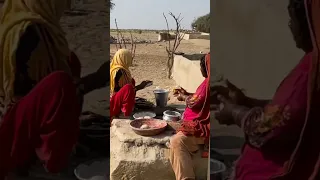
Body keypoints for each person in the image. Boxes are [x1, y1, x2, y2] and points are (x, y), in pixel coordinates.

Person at [0, 0, 109, 179]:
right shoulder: (27, 33)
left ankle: (62, 144)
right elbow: (49, 97)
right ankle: (48, 160)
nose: (67, 6)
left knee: (69, 64)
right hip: (15, 133)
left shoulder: (44, 29)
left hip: (31, 116)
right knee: (60, 83)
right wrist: (95, 79)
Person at [212, 0, 320, 179]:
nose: (291, 26)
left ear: (308, 23)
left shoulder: (309, 73)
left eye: (293, 20)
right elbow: (290, 112)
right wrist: (247, 101)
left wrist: (234, 112)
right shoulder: (309, 66)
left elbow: (269, 128)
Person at [169, 53, 210, 180]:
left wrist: (184, 97)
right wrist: (187, 93)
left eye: (202, 66)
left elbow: (194, 102)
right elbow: (202, 97)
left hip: (204, 125)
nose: (200, 69)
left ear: (207, 67)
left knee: (177, 141)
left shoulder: (209, 82)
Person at [110, 49, 152, 119]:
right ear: (124, 59)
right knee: (128, 87)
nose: (131, 60)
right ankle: (124, 113)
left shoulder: (113, 67)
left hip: (112, 99)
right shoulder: (120, 71)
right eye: (129, 57)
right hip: (114, 104)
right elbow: (127, 92)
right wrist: (140, 86)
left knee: (131, 82)